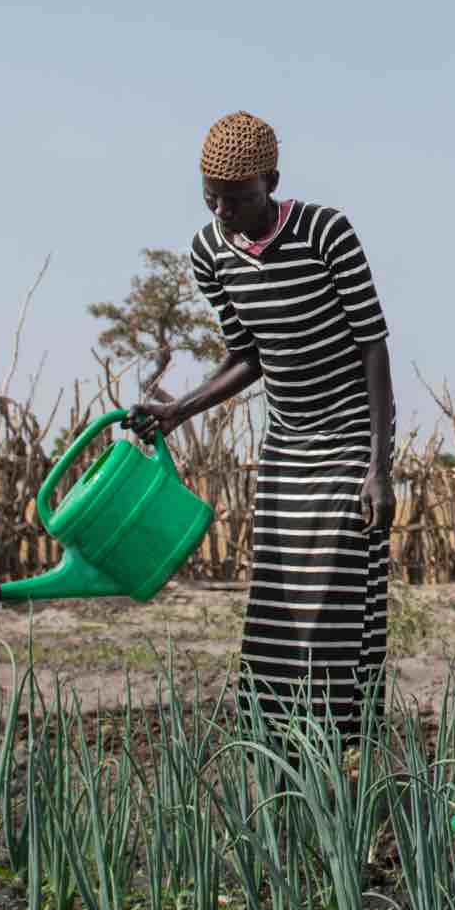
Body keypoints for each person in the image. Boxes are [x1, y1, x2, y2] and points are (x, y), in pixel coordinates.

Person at [120, 111, 397, 738]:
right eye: (211, 198)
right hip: (288, 439)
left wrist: (379, 468)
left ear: (271, 181)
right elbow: (248, 353)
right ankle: (280, 747)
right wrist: (178, 409)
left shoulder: (327, 233)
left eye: (237, 198)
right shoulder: (209, 252)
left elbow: (373, 346)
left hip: (350, 433)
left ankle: (340, 745)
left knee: (335, 596)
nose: (223, 212)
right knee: (274, 597)